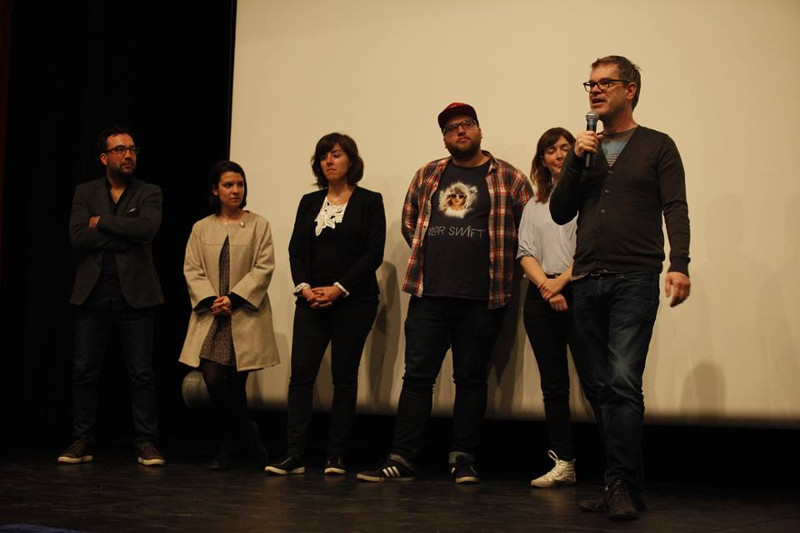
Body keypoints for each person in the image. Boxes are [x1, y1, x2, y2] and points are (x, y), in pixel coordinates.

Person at [357, 103, 532, 484]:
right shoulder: (428, 174)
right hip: (430, 295)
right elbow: (410, 222)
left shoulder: (510, 177)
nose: (460, 131)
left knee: (470, 381)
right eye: (452, 128)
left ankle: (462, 458)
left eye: (466, 124)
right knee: (417, 378)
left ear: (479, 129)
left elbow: (529, 231)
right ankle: (401, 458)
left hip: (483, 298)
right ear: (445, 137)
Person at [550, 56, 691, 520]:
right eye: (589, 84)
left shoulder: (656, 146)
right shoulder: (585, 150)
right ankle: (619, 483)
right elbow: (559, 212)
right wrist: (575, 158)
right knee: (601, 388)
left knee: (624, 382)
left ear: (630, 89)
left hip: (634, 277)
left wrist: (680, 264)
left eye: (604, 82)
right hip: (587, 279)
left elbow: (675, 206)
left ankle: (624, 486)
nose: (594, 90)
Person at [265, 133, 385, 476]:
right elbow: (296, 250)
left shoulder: (369, 201)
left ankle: (335, 455)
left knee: (344, 377)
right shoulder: (309, 201)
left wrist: (339, 288)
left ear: (351, 160)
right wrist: (304, 288)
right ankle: (294, 454)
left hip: (354, 300)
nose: (328, 161)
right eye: (323, 156)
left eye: (335, 154)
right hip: (311, 299)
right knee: (301, 375)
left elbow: (373, 254)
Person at [60, 126, 165, 466]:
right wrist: (122, 235)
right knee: (85, 372)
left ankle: (146, 441)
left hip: (136, 294)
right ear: (105, 157)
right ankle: (82, 440)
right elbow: (78, 237)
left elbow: (147, 229)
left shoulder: (149, 191)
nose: (128, 155)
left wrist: (101, 222)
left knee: (141, 374)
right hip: (92, 293)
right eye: (120, 150)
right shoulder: (85, 191)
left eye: (132, 149)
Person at [179, 160, 280, 470]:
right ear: (215, 190)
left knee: (236, 386)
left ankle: (227, 448)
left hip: (242, 314)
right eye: (228, 185)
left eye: (240, 184)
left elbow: (264, 267)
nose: (236, 190)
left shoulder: (258, 224)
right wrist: (213, 299)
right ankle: (246, 434)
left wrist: (234, 299)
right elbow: (192, 268)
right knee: (212, 379)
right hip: (212, 314)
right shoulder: (202, 227)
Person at [518, 127, 602, 488]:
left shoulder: (588, 197)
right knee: (553, 386)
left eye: (565, 148)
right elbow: (525, 252)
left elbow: (589, 250)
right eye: (550, 150)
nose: (557, 155)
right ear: (541, 159)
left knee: (596, 383)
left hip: (579, 290)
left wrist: (561, 283)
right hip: (540, 295)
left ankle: (618, 466)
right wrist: (546, 286)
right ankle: (564, 461)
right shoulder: (534, 205)